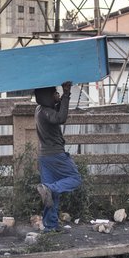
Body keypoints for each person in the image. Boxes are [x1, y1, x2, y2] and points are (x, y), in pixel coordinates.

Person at [34, 81, 82, 232]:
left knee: (51, 197)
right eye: (54, 93)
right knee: (75, 179)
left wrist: (61, 100)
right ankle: (49, 188)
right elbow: (60, 118)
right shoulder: (47, 112)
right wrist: (66, 94)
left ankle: (50, 226)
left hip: (44, 157)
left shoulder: (40, 109)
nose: (57, 94)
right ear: (46, 97)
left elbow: (57, 112)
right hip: (55, 155)